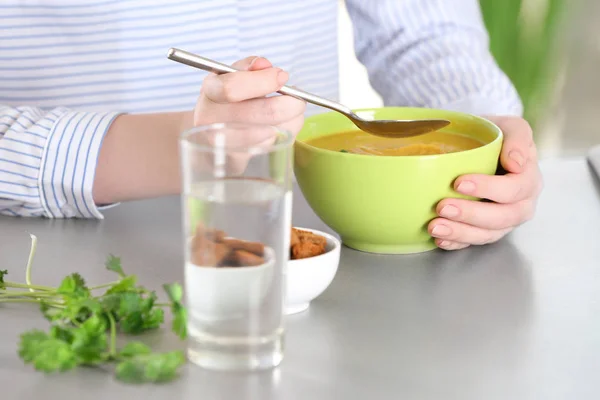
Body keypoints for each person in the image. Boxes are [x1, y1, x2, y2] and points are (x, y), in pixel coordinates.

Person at [0, 0, 542, 251]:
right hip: (46, 248)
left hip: (295, 239)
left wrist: (483, 130)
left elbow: (421, 32)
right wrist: (187, 145)